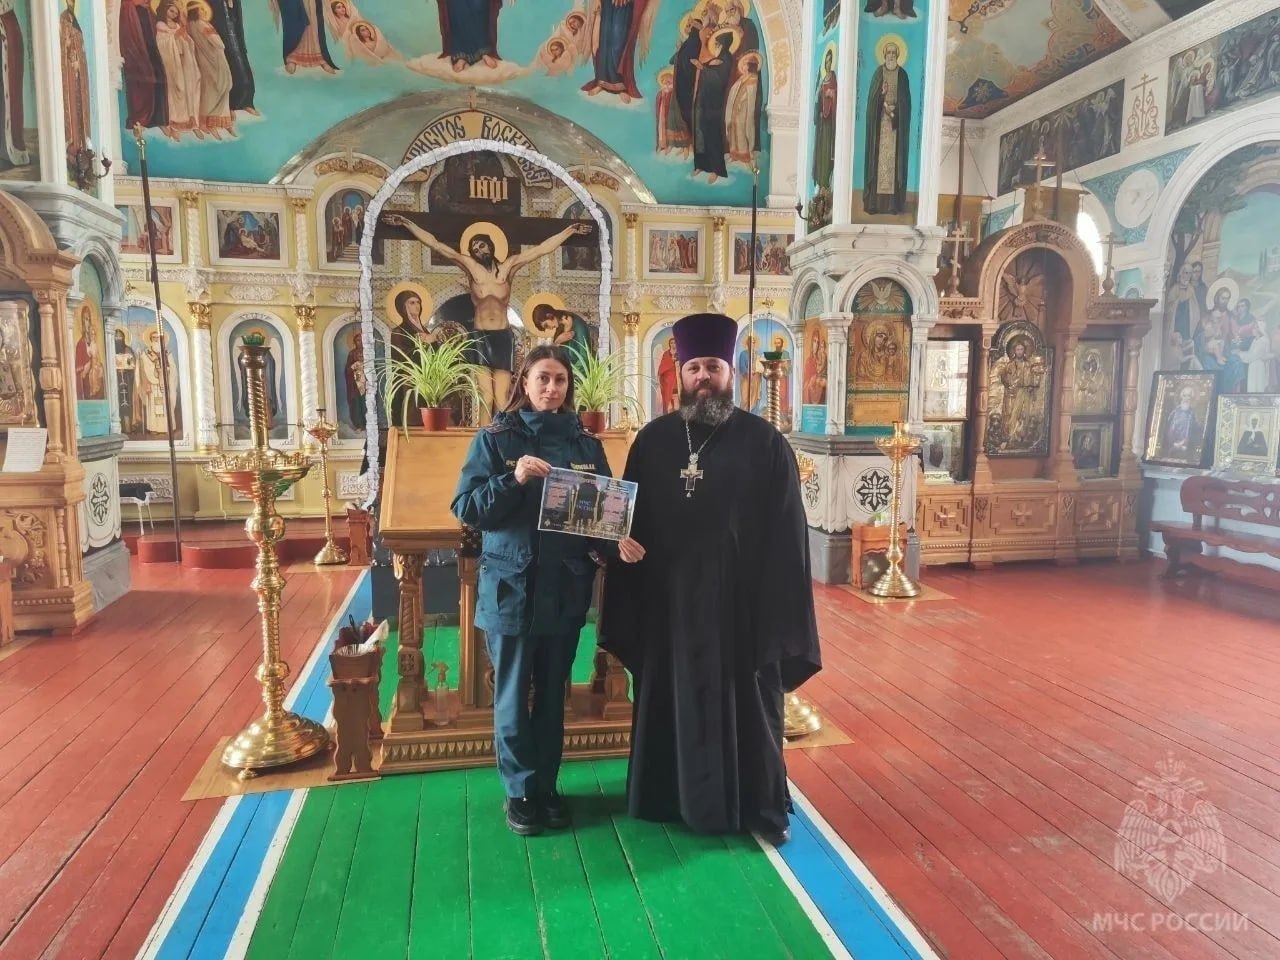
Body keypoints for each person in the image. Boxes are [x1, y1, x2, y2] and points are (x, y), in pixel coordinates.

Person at [598, 312, 821, 847]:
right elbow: (623, 522)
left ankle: (761, 805)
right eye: (694, 367)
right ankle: (665, 798)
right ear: (680, 372)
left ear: (731, 372)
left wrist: (776, 613)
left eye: (713, 367)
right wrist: (616, 544)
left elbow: (788, 535)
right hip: (669, 604)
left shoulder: (765, 443)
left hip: (739, 608)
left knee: (753, 704)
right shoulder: (652, 441)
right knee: (668, 697)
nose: (703, 377)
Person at [452, 345, 645, 836]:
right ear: (525, 381)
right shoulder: (495, 438)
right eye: (543, 378)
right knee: (513, 697)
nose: (552, 388)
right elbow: (467, 508)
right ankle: (519, 791)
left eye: (560, 379)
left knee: (554, 696)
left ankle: (546, 786)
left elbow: (600, 516)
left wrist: (617, 540)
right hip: (511, 589)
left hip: (564, 590)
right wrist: (513, 479)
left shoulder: (586, 445)